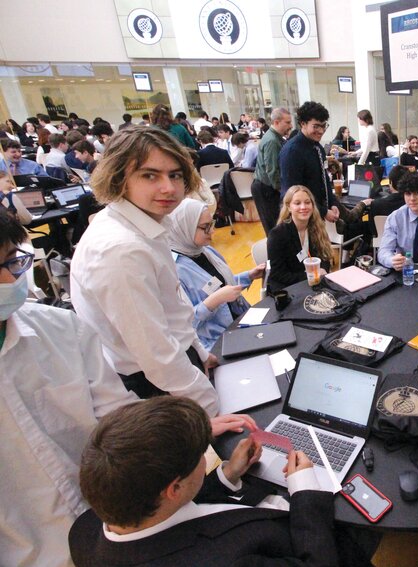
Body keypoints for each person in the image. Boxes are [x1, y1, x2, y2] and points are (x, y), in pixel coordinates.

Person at [0, 213, 255, 567]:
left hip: (124, 524)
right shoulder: (117, 254)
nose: (7, 279)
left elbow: (117, 411)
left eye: (12, 262)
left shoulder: (59, 330)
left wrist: (180, 434)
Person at [70, 396, 374, 567]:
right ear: (173, 488)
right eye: (200, 453)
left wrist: (227, 475)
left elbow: (176, 510)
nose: (206, 456)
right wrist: (306, 492)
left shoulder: (87, 528)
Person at [70, 126, 220, 416]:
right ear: (119, 177)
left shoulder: (145, 223)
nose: (168, 188)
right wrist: (210, 408)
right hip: (156, 381)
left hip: (177, 363)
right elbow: (156, 354)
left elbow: (171, 308)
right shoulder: (120, 249)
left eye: (175, 175)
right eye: (150, 175)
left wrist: (199, 354)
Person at [167, 199, 265, 350]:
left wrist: (249, 276)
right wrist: (214, 301)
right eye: (205, 227)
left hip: (241, 322)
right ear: (185, 228)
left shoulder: (205, 251)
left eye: (211, 224)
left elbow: (222, 284)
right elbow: (185, 325)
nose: (212, 231)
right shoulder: (174, 271)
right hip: (218, 343)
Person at [279, 101, 340, 223]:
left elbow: (324, 179)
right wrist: (323, 211)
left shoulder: (318, 148)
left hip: (318, 214)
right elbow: (293, 193)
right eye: (316, 126)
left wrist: (332, 203)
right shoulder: (292, 151)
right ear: (303, 124)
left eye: (323, 126)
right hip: (301, 217)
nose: (321, 131)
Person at [266, 185, 334, 294]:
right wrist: (309, 276)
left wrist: (323, 270)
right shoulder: (277, 235)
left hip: (312, 284)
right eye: (297, 203)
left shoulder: (316, 228)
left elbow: (324, 257)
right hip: (287, 290)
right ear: (288, 207)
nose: (303, 207)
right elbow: (277, 274)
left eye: (307, 202)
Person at [251, 107, 292, 235]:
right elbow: (272, 171)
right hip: (266, 189)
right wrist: (284, 193)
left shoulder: (276, 138)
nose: (290, 126)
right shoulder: (272, 141)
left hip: (268, 188)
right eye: (287, 122)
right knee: (273, 228)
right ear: (276, 122)